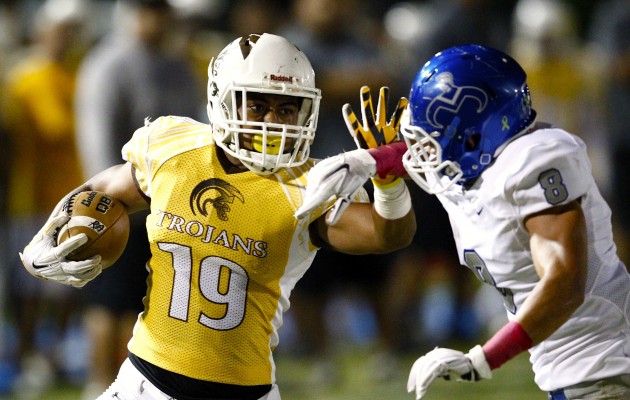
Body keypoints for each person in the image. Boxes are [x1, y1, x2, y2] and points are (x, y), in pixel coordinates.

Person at [19, 33, 416, 400]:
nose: (273, 121)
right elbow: (101, 192)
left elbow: (388, 235)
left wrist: (389, 184)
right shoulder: (173, 147)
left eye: (286, 108)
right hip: (144, 384)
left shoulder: (309, 184)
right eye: (258, 104)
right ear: (222, 99)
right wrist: (52, 230)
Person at [295, 44, 630, 399]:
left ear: (473, 136)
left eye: (433, 136)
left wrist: (484, 358)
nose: (421, 149)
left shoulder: (535, 162)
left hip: (607, 367)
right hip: (579, 371)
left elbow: (564, 283)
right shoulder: (482, 164)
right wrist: (369, 161)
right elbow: (419, 159)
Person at [73, 1, 203, 398]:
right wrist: (106, 204)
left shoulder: (177, 65)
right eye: (151, 10)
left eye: (163, 11)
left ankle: (134, 385)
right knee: (108, 302)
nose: (159, 19)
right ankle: (100, 383)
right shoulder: (109, 64)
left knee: (144, 299)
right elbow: (97, 143)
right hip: (122, 202)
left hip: (167, 204)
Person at [2, 0, 89, 396]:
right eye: (58, 29)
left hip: (69, 196)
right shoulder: (22, 78)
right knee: (28, 289)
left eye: (70, 30)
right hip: (29, 196)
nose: (64, 37)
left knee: (64, 285)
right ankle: (26, 357)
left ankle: (52, 354)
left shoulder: (79, 74)